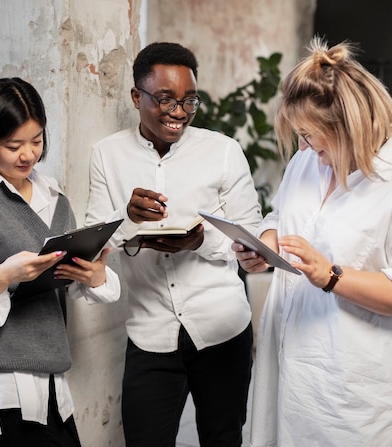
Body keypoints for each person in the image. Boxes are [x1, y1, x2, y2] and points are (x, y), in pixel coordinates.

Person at [234, 37, 392, 447]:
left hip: (365, 401)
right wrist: (264, 246)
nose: (303, 148)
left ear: (349, 127)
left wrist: (331, 276)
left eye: (310, 135)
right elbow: (284, 216)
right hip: (296, 381)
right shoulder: (310, 160)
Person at [84, 42, 262, 447]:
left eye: (188, 101)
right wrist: (128, 220)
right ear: (137, 97)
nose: (178, 112)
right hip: (149, 331)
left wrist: (200, 241)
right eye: (165, 99)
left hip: (222, 329)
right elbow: (94, 242)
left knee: (223, 439)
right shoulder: (106, 156)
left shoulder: (223, 151)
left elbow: (248, 232)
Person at [0, 77, 121, 447]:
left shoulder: (55, 198)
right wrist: (4, 275)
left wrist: (94, 275)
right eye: (12, 145)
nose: (28, 155)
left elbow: (70, 285)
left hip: (52, 382)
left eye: (36, 141)